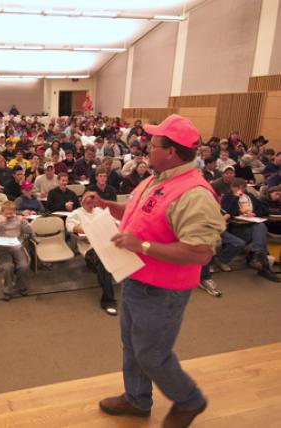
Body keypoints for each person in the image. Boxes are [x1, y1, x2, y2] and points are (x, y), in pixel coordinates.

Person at [97, 115, 224, 427]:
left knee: (152, 355)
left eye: (152, 145)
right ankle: (137, 399)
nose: (144, 149)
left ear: (171, 152)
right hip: (135, 280)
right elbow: (139, 213)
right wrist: (104, 203)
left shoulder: (195, 194)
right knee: (132, 345)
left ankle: (189, 400)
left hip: (162, 291)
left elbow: (200, 251)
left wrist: (142, 247)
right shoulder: (156, 178)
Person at [66, 192, 117, 315]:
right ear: (82, 202)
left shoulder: (99, 211)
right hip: (89, 246)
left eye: (92, 203)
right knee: (103, 264)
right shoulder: (76, 213)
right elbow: (71, 227)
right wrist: (91, 229)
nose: (91, 205)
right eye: (88, 203)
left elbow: (113, 222)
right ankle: (108, 301)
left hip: (106, 243)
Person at [221, 178, 279, 282]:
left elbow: (264, 209)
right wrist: (235, 197)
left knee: (260, 227)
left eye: (242, 188)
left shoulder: (250, 197)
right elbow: (228, 211)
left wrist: (255, 213)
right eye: (238, 188)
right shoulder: (228, 197)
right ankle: (261, 262)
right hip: (236, 228)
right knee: (261, 232)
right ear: (233, 188)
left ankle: (257, 255)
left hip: (251, 225)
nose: (241, 190)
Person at [0, 201, 32, 301]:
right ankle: (7, 290)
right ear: (2, 212)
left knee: (23, 266)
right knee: (8, 267)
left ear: (14, 211)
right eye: (6, 213)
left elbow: (29, 232)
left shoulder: (18, 219)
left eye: (11, 213)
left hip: (17, 247)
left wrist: (24, 223)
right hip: (3, 248)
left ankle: (21, 286)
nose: (9, 215)